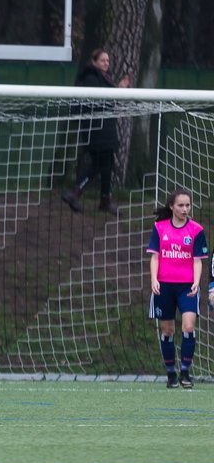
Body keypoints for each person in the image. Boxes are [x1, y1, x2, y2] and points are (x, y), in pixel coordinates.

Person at [147, 188, 207, 389]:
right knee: (167, 330)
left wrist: (196, 282)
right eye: (180, 205)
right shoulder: (160, 228)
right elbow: (155, 257)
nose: (185, 209)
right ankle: (171, 373)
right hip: (163, 286)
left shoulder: (197, 230)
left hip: (187, 287)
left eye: (188, 205)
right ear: (172, 206)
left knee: (188, 326)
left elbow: (198, 261)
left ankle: (185, 372)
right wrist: (154, 279)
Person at [61, 48, 132, 215]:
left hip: (105, 129)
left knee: (105, 164)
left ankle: (102, 199)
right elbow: (99, 102)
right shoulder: (91, 79)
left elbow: (109, 101)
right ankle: (77, 192)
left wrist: (118, 90)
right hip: (97, 130)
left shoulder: (103, 79)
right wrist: (118, 91)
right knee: (101, 163)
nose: (106, 63)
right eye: (102, 60)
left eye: (108, 60)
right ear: (94, 62)